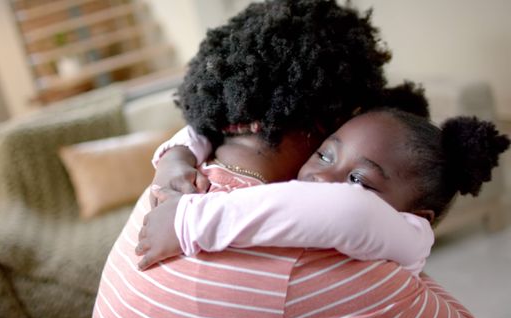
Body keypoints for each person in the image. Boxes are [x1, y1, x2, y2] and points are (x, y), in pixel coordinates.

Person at [90, 0, 488, 318]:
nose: (326, 178)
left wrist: (176, 155)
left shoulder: (171, 186)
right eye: (332, 146)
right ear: (327, 123)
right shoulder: (322, 266)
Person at [136, 104, 510, 275]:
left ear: (416, 217)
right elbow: (215, 122)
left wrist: (192, 221)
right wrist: (177, 158)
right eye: (324, 155)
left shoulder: (411, 238)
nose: (322, 179)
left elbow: (346, 211)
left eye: (358, 180)